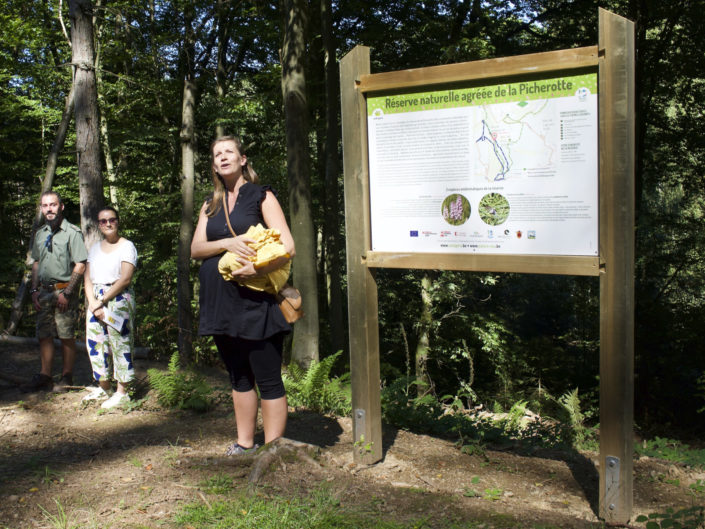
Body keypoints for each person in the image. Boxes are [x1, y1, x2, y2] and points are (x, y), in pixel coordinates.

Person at [191, 135, 294, 455]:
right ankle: (245, 443)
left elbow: (288, 246)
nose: (223, 157)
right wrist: (227, 244)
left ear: (242, 159)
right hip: (220, 304)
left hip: (255, 302)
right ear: (213, 164)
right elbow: (196, 249)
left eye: (229, 152)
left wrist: (257, 270)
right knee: (238, 375)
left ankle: (274, 452)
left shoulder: (261, 196)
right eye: (217, 154)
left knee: (267, 375)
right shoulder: (210, 204)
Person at [21, 191, 88, 392]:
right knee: (44, 334)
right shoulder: (40, 233)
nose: (49, 209)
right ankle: (45, 376)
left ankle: (67, 376)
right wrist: (34, 290)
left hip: (63, 291)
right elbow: (36, 263)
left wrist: (67, 293)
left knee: (66, 334)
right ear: (41, 209)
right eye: (45, 205)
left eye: (53, 205)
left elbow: (80, 264)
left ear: (61, 207)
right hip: (43, 292)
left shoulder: (72, 232)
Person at [82, 206, 138, 409]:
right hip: (95, 299)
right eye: (103, 221)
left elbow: (125, 278)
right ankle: (104, 387)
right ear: (99, 224)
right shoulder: (95, 248)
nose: (108, 224)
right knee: (96, 343)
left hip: (117, 299)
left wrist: (102, 301)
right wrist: (93, 302)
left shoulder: (127, 246)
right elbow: (87, 277)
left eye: (111, 220)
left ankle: (122, 392)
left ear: (117, 221)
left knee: (120, 342)